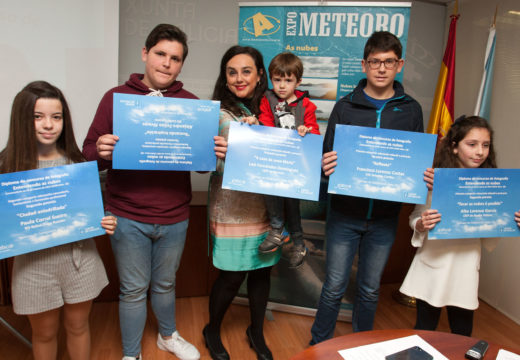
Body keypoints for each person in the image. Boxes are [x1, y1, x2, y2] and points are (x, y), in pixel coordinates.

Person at [82, 24, 226, 360]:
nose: (166, 63)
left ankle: (167, 336)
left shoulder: (191, 105)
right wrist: (100, 151)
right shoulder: (115, 98)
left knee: (165, 285)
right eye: (160, 54)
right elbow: (87, 153)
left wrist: (213, 152)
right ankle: (131, 354)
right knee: (132, 290)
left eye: (175, 58)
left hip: (175, 216)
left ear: (180, 65)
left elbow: (202, 167)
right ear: (145, 54)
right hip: (127, 215)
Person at [310, 31, 425, 343]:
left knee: (370, 288)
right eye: (375, 61)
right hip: (344, 215)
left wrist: (422, 176)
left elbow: (413, 161)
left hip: (385, 219)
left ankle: (363, 345)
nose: (382, 68)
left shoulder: (411, 109)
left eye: (389, 62)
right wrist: (327, 165)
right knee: (333, 285)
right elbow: (326, 156)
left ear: (399, 65)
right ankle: (318, 344)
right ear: (364, 64)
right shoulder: (345, 107)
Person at [1, 80, 117, 360]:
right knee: (44, 333)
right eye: (37, 117)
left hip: (80, 262)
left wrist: (104, 221)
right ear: (21, 120)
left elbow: (88, 215)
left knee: (78, 327)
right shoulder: (7, 169)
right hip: (33, 269)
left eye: (56, 117)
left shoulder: (77, 164)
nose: (48, 125)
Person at [400, 116, 520, 336]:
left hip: (465, 265)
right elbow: (414, 217)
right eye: (472, 144)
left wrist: (511, 221)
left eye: (485, 145)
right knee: (425, 331)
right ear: (454, 147)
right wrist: (422, 223)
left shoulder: (494, 186)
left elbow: (493, 232)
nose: (480, 152)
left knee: (462, 332)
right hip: (433, 264)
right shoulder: (433, 178)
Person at [203, 45, 279, 360]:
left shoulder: (274, 110)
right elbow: (204, 161)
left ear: (260, 74)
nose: (239, 78)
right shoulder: (216, 112)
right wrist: (214, 154)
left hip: (266, 206)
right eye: (232, 72)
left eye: (246, 71)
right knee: (232, 275)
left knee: (262, 272)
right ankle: (212, 329)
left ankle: (256, 332)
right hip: (231, 207)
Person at [257, 52, 320, 269]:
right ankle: (276, 231)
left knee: (292, 205)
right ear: (271, 79)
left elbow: (316, 133)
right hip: (274, 163)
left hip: (296, 167)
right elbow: (265, 123)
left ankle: (299, 242)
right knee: (270, 192)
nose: (282, 85)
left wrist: (307, 131)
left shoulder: (307, 106)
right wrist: (255, 124)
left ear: (298, 81)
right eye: (277, 79)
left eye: (288, 80)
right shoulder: (267, 100)